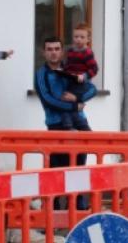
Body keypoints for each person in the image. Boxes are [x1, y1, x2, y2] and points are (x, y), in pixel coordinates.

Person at [34, 36, 97, 168]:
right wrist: (74, 106)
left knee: (79, 172)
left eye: (57, 49)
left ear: (62, 52)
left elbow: (92, 90)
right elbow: (48, 100)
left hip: (79, 125)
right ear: (44, 52)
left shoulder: (72, 69)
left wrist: (77, 98)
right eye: (49, 49)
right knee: (57, 174)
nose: (53, 52)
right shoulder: (41, 74)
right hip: (56, 126)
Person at [60, 23, 99, 130]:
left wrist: (84, 76)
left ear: (88, 39)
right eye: (76, 37)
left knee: (72, 101)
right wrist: (63, 70)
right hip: (71, 81)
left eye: (82, 37)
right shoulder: (71, 51)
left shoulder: (87, 53)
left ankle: (75, 124)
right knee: (65, 100)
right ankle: (68, 123)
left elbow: (94, 69)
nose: (78, 39)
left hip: (82, 83)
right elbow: (68, 65)